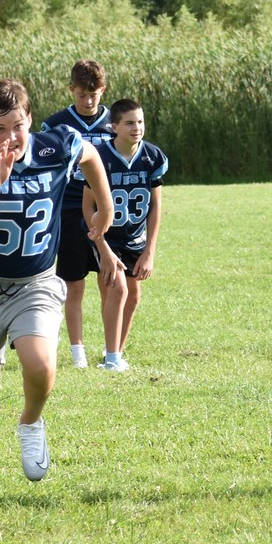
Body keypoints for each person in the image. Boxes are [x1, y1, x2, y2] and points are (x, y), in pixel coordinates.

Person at [0, 79, 114, 505]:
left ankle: (30, 421)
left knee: (40, 365)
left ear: (31, 120)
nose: (10, 137)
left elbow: (91, 156)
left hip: (36, 282)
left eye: (18, 126)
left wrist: (105, 205)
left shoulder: (57, 145)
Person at [43, 60, 116, 368]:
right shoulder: (56, 124)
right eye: (81, 94)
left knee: (109, 280)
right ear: (71, 89)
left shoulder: (115, 122)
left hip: (106, 209)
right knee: (73, 283)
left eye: (93, 95)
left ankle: (112, 350)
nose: (87, 101)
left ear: (103, 90)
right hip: (69, 209)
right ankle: (78, 354)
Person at [87, 99, 168, 372]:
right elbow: (87, 206)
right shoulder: (99, 157)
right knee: (118, 289)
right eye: (130, 123)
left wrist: (150, 251)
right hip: (107, 236)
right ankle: (112, 359)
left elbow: (155, 206)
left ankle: (115, 352)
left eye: (140, 122)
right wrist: (101, 245)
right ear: (114, 127)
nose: (137, 128)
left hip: (136, 237)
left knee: (133, 295)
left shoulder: (152, 157)